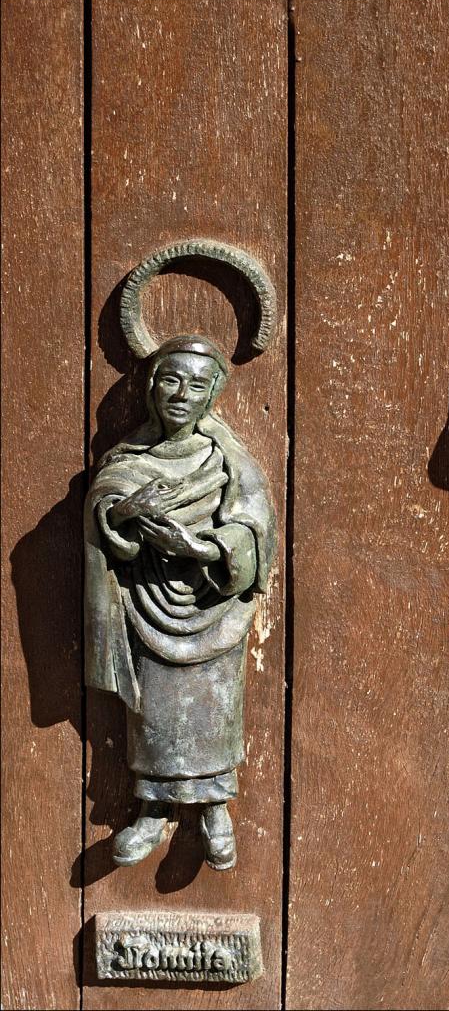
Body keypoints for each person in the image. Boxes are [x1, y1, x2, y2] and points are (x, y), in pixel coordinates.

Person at [85, 334, 276, 868]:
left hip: (211, 606)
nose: (181, 394)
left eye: (196, 384)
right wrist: (123, 514)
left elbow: (254, 532)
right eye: (170, 379)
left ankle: (215, 807)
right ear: (151, 388)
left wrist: (198, 547)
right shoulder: (130, 457)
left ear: (213, 394)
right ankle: (151, 809)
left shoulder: (228, 462)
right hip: (147, 601)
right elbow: (105, 505)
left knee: (214, 709)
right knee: (153, 712)